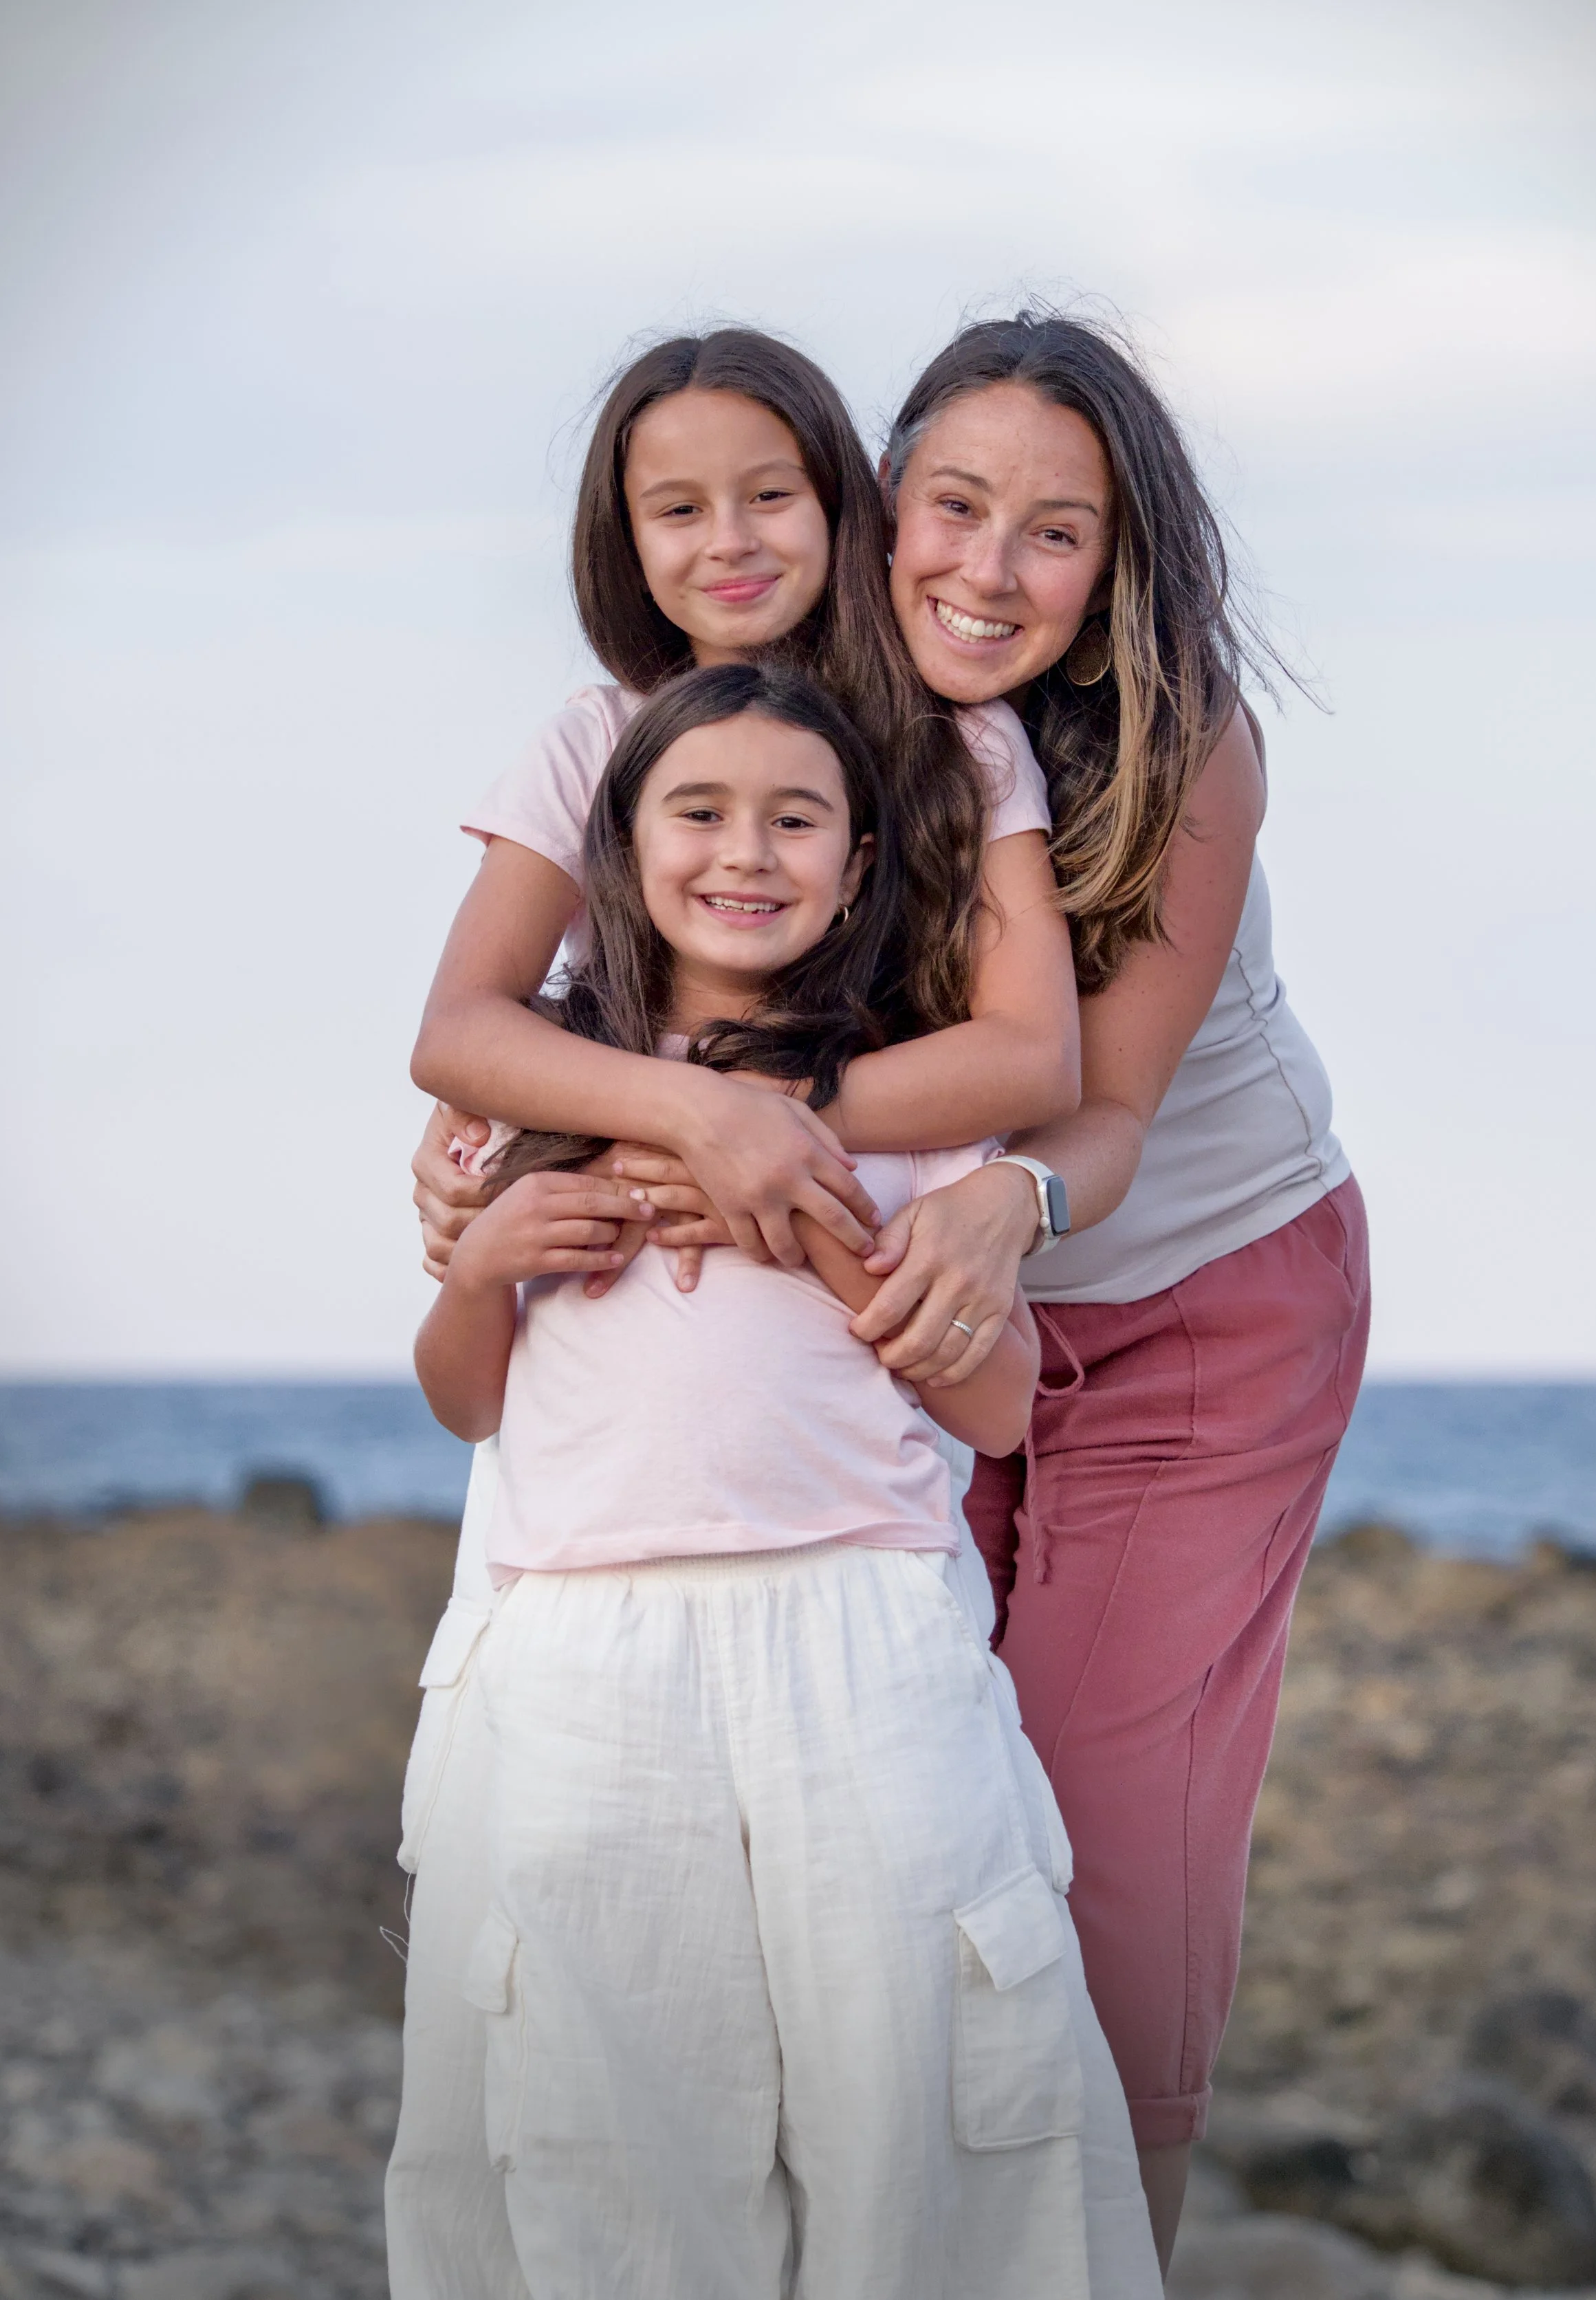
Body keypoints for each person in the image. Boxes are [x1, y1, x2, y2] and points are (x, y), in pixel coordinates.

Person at [388, 327, 1082, 2295]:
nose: (726, 538)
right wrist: (647, 1129)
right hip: (594, 1624)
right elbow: (457, 1050)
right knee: (604, 2133)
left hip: (852, 1609)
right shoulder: (563, 1036)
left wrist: (789, 1146)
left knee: (916, 2125)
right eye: (671, 505)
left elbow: (1026, 1063)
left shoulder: (946, 755)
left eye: (768, 491)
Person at [815, 309, 1369, 2264]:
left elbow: (1106, 1111)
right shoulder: (800, 717)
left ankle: (1104, 2255)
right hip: (942, 1316)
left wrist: (1006, 1205)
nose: (987, 565)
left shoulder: (1188, 746)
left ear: (1119, 564)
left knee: (1100, 1832)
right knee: (907, 1786)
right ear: (880, 507)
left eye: (1052, 532)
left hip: (1205, 1296)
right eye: (951, 505)